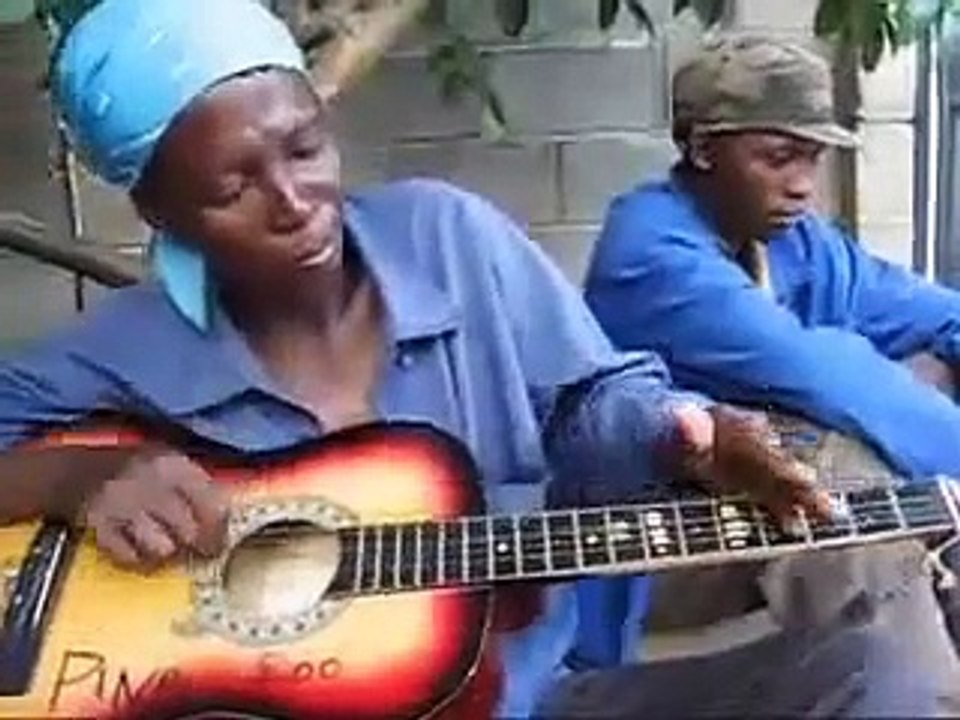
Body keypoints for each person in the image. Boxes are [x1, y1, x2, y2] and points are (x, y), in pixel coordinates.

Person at [0, 3, 831, 718]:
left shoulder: (451, 239)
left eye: (304, 149)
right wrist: (70, 481)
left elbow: (588, 407)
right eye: (232, 189)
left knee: (864, 666)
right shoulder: (119, 354)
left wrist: (685, 434)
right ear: (158, 209)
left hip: (529, 696)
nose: (296, 203)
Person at [581, 33, 960, 716]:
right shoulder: (650, 252)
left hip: (759, 503)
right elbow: (828, 377)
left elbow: (927, 313)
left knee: (925, 378)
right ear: (701, 150)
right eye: (779, 157)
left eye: (813, 158)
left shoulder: (789, 237)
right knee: (845, 481)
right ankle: (909, 695)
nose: (803, 185)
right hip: (644, 542)